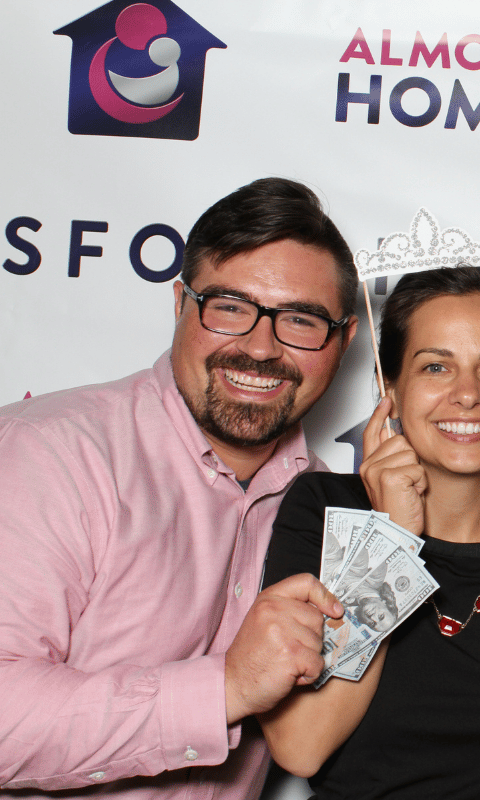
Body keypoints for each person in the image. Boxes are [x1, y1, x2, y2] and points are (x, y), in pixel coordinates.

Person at [0, 177, 356, 797]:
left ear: (343, 341)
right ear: (179, 304)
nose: (260, 348)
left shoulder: (334, 508)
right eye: (230, 307)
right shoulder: (52, 452)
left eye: (300, 320)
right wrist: (226, 688)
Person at [260, 266, 480, 798]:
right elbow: (301, 745)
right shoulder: (324, 509)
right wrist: (393, 539)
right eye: (435, 367)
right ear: (391, 388)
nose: (468, 394)